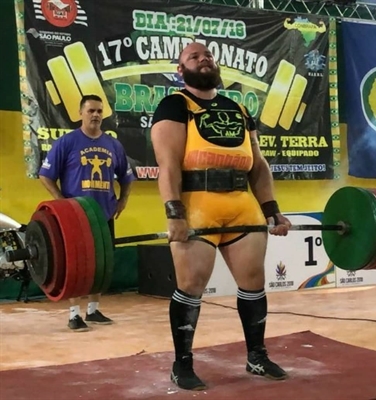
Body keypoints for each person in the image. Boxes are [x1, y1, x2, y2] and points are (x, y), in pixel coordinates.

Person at [150, 42, 292, 391]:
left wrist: (272, 210)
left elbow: (258, 165)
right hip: (197, 203)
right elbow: (167, 166)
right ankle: (182, 365)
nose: (203, 59)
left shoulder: (239, 108)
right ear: (180, 70)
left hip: (242, 202)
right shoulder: (174, 105)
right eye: (194, 57)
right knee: (191, 285)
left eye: (208, 55)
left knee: (254, 282)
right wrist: (174, 214)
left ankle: (256, 356)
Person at [39, 94, 135, 332]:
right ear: (81, 113)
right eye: (91, 110)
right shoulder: (67, 142)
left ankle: (93, 311)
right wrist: (62, 203)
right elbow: (45, 175)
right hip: (77, 218)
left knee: (100, 265)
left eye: (99, 111)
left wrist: (123, 200)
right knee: (78, 266)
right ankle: (74, 315)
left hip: (104, 215)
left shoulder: (114, 145)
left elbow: (126, 176)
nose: (96, 115)